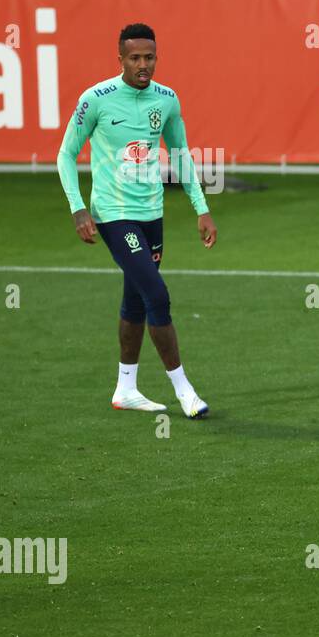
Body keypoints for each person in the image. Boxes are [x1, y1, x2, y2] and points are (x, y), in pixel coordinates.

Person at [56, 22, 215, 418]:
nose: (143, 65)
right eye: (135, 58)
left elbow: (180, 155)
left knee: (136, 299)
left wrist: (201, 207)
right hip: (113, 214)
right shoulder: (96, 99)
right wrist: (78, 208)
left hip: (152, 215)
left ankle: (125, 388)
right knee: (157, 295)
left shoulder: (167, 100)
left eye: (149, 57)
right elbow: (65, 154)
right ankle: (185, 391)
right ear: (121, 59)